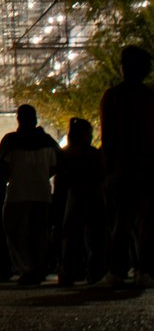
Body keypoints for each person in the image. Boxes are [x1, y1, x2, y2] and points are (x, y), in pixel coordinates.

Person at [98, 45, 154, 288]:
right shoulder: (148, 97)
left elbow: (108, 136)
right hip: (146, 167)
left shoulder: (114, 97)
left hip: (125, 168)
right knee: (145, 223)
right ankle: (143, 270)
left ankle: (118, 271)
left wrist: (110, 170)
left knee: (122, 222)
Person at [0, 104, 59, 285]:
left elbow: (2, 168)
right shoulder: (47, 141)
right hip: (42, 192)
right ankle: (40, 267)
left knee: (16, 232)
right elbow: (56, 165)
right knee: (40, 233)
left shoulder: (11, 141)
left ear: (19, 119)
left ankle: (27, 267)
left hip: (18, 193)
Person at [54, 117, 105, 286]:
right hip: (88, 197)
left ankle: (69, 272)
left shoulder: (67, 154)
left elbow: (60, 180)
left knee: (72, 237)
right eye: (88, 133)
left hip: (76, 197)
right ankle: (92, 272)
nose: (90, 136)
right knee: (92, 237)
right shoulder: (92, 154)